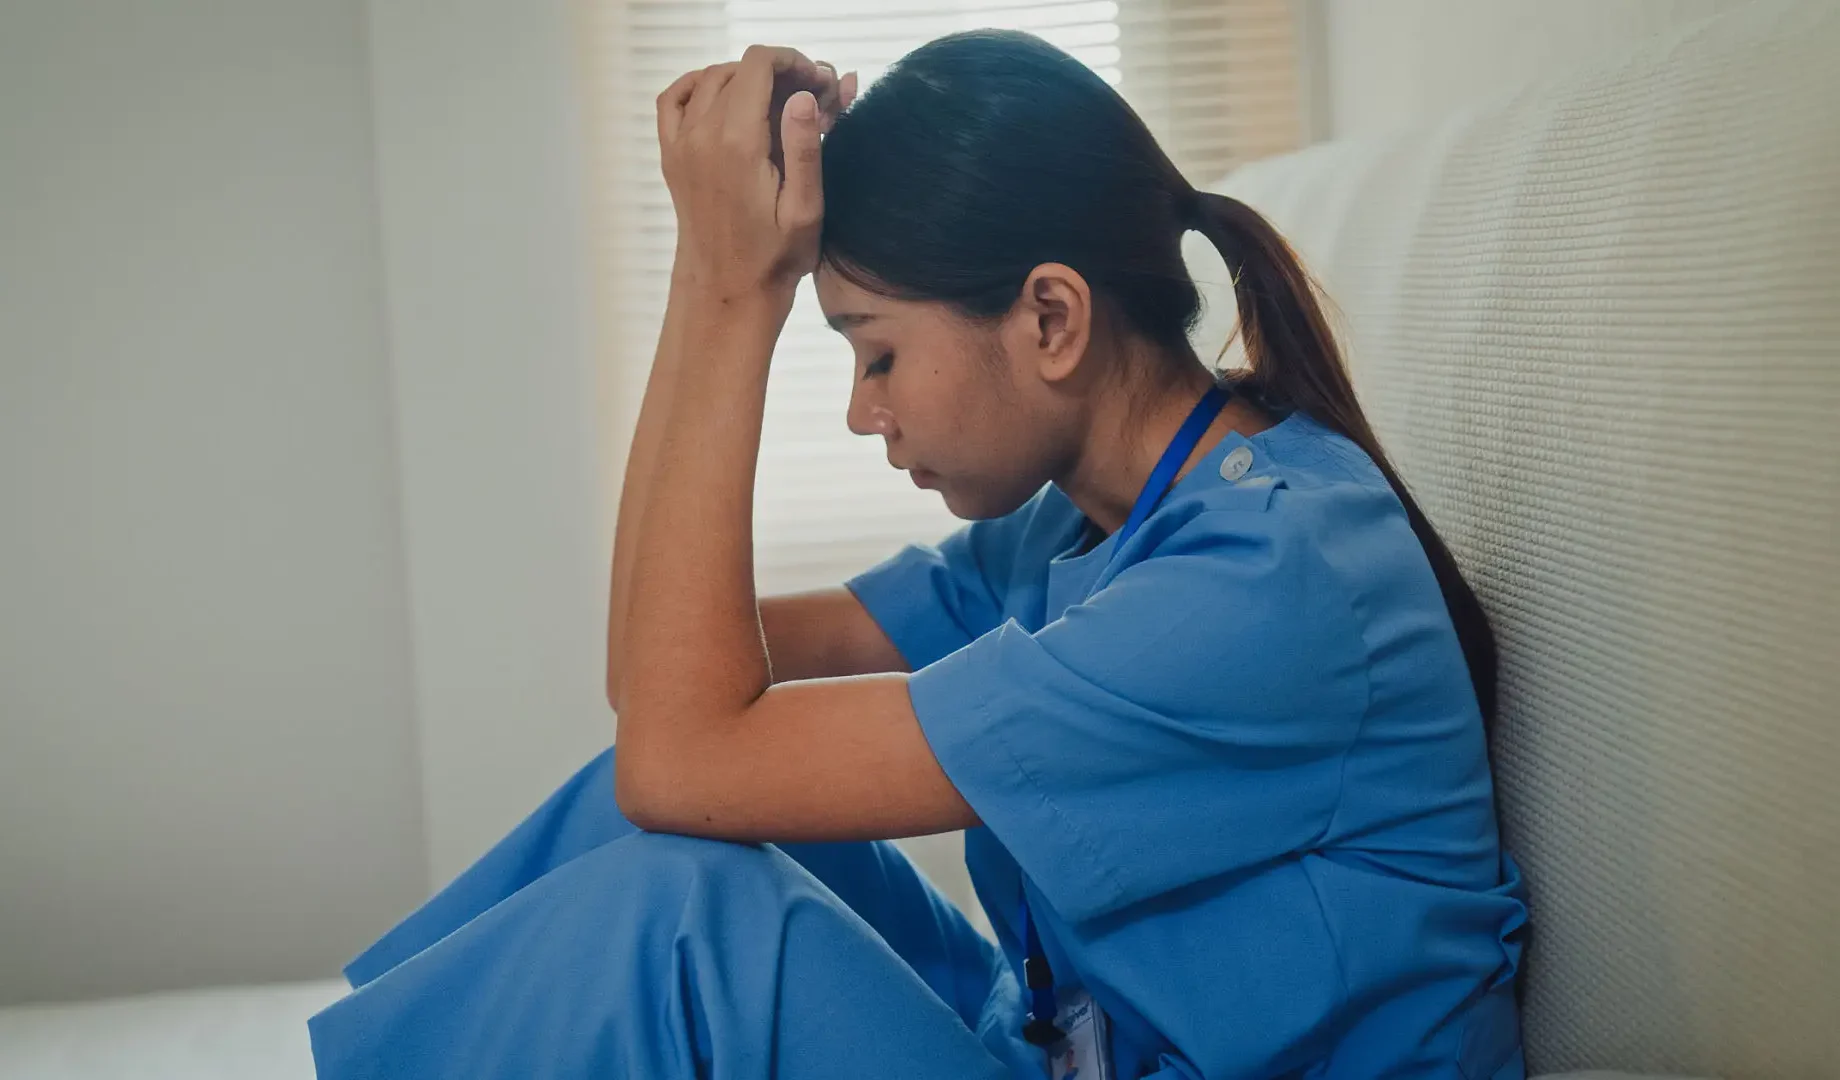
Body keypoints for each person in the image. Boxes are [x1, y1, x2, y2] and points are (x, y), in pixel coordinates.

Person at [309, 29, 1527, 1080]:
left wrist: (739, 300)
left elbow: (681, 751)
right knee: (652, 821)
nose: (860, 409)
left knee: (685, 918)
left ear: (1050, 318)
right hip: (1055, 1043)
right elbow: (659, 690)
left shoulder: (1259, 584)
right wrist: (709, 275)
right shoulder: (1076, 522)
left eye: (876, 353)